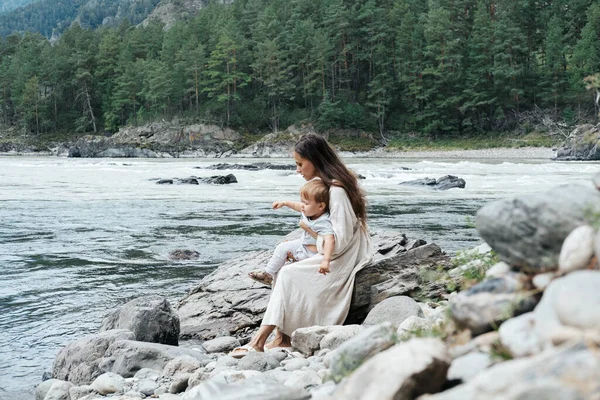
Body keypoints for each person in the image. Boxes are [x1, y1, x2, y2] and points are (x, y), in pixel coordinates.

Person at [230, 133, 373, 357]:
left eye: (300, 164)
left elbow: (341, 240)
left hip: (342, 258)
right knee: (282, 271)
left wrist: (312, 245)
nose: (297, 170)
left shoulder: (336, 190)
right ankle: (281, 338)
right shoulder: (327, 187)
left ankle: (258, 341)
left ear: (314, 160)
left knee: (287, 273)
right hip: (331, 252)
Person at [248, 179, 336, 287]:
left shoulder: (324, 221)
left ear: (321, 206)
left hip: (313, 254)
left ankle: (295, 262)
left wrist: (326, 261)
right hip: (302, 245)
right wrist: (284, 203)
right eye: (302, 201)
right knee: (282, 247)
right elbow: (296, 205)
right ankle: (268, 274)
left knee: (293, 270)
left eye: (306, 203)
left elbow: (329, 240)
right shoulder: (308, 210)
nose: (302, 205)